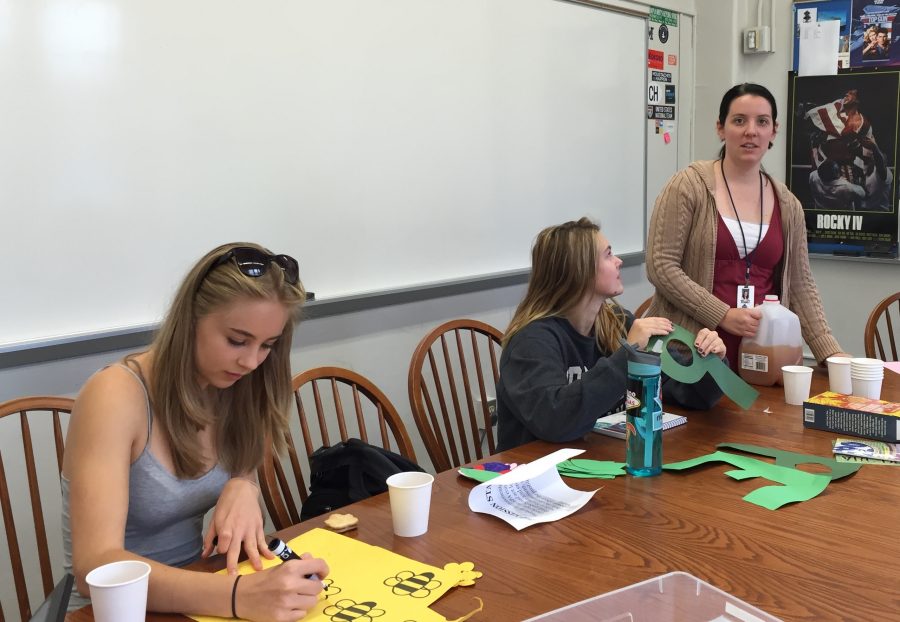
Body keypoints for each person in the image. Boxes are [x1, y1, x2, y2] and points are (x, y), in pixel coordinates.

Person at [62, 243, 329, 620]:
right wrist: (238, 596)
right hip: (112, 611)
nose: (251, 361)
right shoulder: (114, 395)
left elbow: (243, 468)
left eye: (267, 345)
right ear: (189, 321)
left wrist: (244, 485)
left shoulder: (234, 384)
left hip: (199, 593)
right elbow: (96, 569)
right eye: (237, 340)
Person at [646, 83, 850, 371]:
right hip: (686, 355)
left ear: (773, 132)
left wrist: (829, 352)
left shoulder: (788, 204)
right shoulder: (688, 186)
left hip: (761, 356)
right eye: (739, 120)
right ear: (721, 128)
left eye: (762, 122)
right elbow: (661, 266)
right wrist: (722, 314)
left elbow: (800, 283)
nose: (751, 131)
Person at [495, 218, 727, 452]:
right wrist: (629, 355)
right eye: (608, 255)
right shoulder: (530, 342)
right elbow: (556, 422)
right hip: (535, 475)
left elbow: (688, 394)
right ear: (579, 269)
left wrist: (711, 361)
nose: (619, 261)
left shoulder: (616, 322)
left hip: (599, 462)